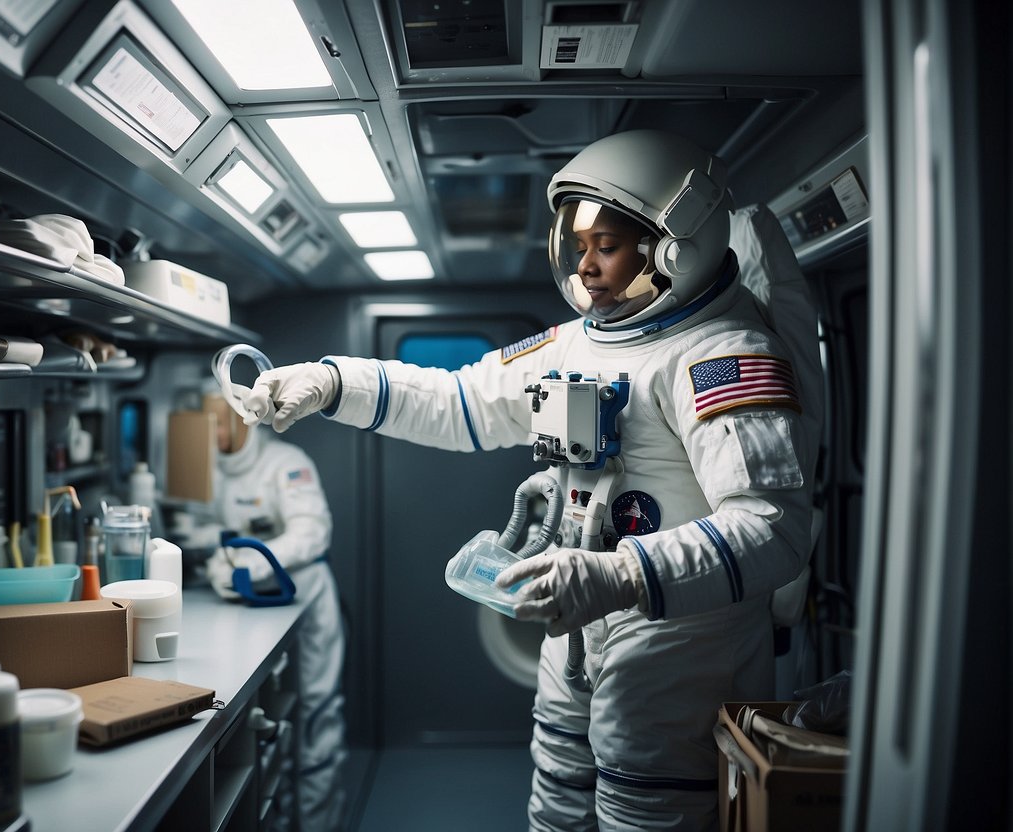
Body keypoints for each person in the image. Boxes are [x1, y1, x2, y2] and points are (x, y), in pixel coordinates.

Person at [233, 128, 823, 831]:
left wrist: (622, 576)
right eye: (579, 246)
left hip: (680, 637)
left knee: (647, 812)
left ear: (675, 246)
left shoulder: (720, 357)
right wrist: (335, 381)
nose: (588, 266)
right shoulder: (572, 342)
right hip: (578, 619)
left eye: (607, 245)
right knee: (556, 797)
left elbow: (770, 530)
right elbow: (458, 402)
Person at [195, 382, 347, 831]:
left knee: (317, 710)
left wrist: (248, 562)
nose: (213, 428)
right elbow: (208, 525)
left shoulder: (285, 464)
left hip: (306, 599)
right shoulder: (211, 470)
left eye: (219, 417)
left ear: (240, 416)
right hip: (249, 611)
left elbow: (312, 534)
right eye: (206, 418)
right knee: (267, 721)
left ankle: (320, 823)